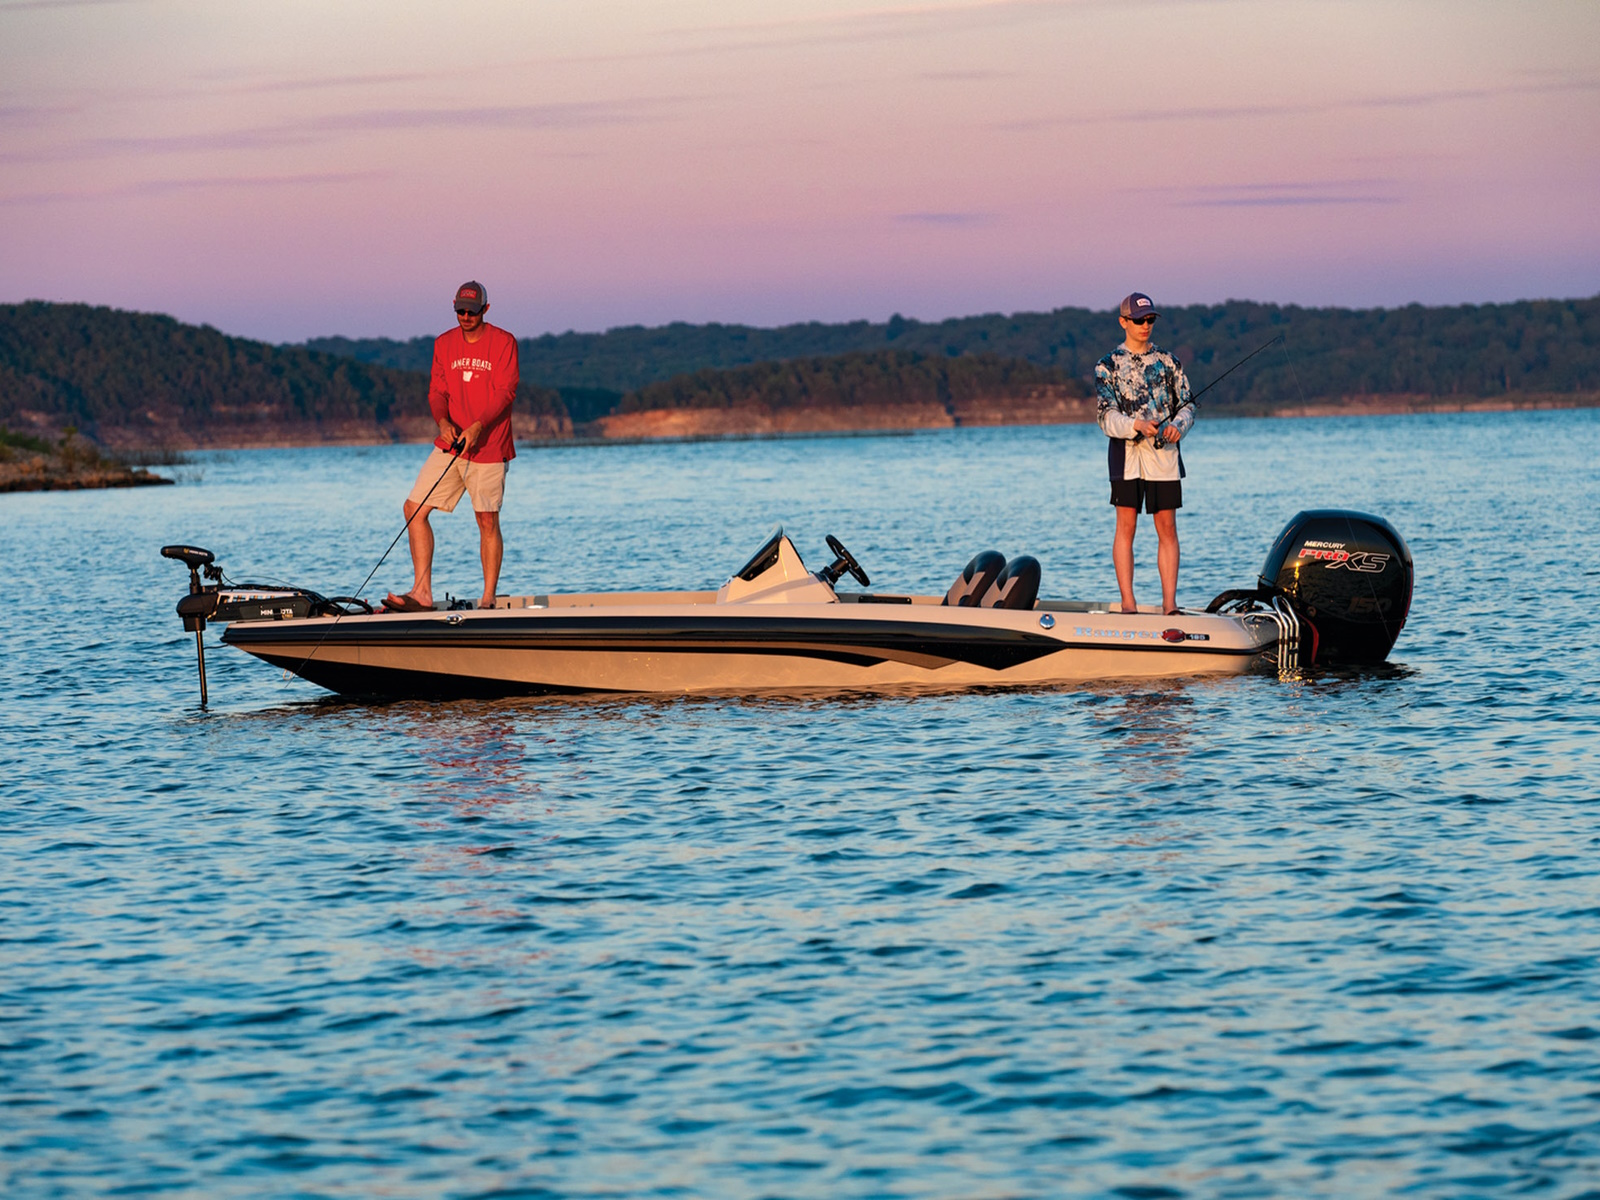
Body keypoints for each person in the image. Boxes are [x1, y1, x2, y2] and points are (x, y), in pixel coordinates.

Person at [383, 281, 519, 612]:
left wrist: (478, 426)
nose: (466, 317)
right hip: (451, 445)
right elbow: (437, 391)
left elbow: (505, 392)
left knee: (486, 520)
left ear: (485, 309)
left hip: (489, 446)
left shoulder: (504, 342)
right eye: (460, 311)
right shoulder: (444, 343)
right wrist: (442, 422)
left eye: (472, 311)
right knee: (413, 509)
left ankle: (488, 599)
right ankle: (422, 593)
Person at [1094, 292, 1195, 616]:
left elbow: (1188, 405)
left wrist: (1178, 425)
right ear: (1123, 321)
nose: (1145, 325)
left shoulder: (1169, 362)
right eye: (1139, 320)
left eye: (1150, 319)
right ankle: (1128, 605)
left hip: (1164, 458)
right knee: (1126, 528)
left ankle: (1170, 605)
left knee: (1168, 529)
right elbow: (1105, 416)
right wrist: (1136, 425)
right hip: (1126, 458)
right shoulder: (1107, 365)